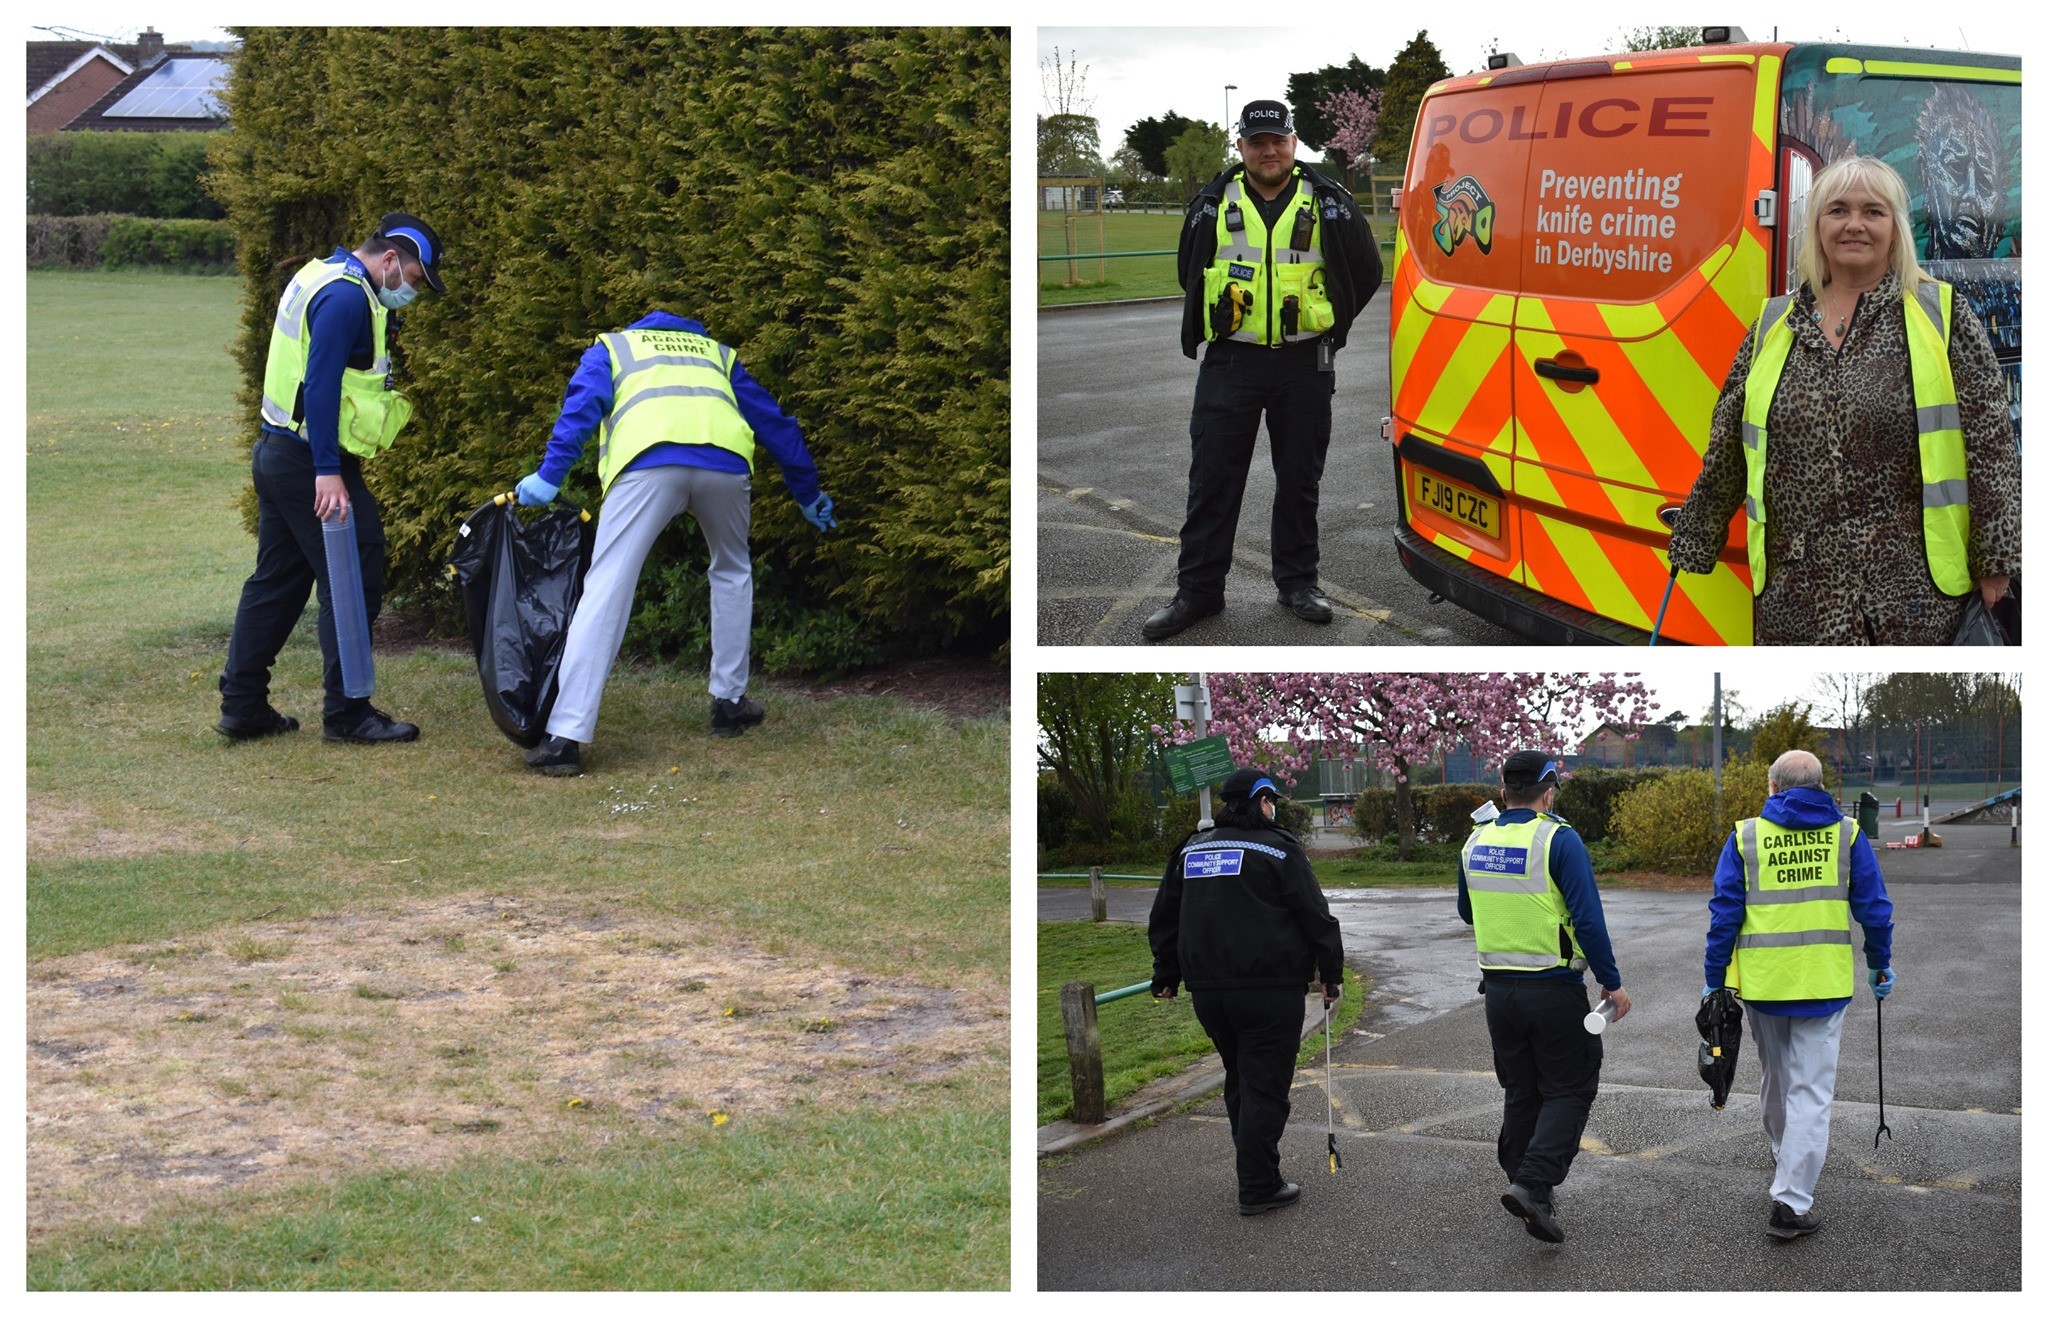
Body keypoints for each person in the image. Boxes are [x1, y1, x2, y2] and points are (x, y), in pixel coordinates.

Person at [1666, 155, 2019, 644]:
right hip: (1798, 600)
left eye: (1873, 212)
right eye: (1838, 211)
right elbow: (1729, 445)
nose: (1855, 224)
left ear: (1895, 229)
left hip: (1914, 598)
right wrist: (1695, 535)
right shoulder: (1773, 324)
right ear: (1817, 227)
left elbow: (1992, 448)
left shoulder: (1942, 314)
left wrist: (1997, 561)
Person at [514, 311, 834, 774]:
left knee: (607, 585)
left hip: (648, 462)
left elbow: (581, 409)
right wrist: (807, 492)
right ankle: (729, 703)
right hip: (725, 465)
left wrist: (549, 476)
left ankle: (565, 736)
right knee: (732, 571)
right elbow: (775, 424)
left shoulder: (615, 347)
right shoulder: (718, 355)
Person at [1141, 99, 1383, 641]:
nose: (1268, 150)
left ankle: (1298, 584)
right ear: (1241, 147)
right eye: (1257, 141)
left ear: (1294, 143)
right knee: (1212, 480)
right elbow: (1190, 271)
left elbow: (1366, 271)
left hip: (1305, 364)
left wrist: (1328, 326)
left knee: (1300, 479)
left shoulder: (1328, 199)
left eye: (1277, 140)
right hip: (1233, 361)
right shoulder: (1212, 201)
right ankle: (1198, 594)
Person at [217, 213, 446, 745]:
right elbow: (319, 385)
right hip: (310, 462)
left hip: (277, 450)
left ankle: (243, 705)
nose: (411, 292)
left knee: (277, 582)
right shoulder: (347, 298)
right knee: (354, 575)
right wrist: (327, 472)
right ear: (390, 259)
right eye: (413, 280)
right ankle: (348, 714)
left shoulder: (321, 274)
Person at [1703, 749, 1894, 1241]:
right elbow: (1873, 908)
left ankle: (1785, 1159)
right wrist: (1879, 962)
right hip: (1824, 986)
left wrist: (1714, 977)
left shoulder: (1746, 836)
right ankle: (1791, 1201)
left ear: (1772, 787)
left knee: (1775, 1078)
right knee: (1810, 1090)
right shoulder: (1847, 835)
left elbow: (1725, 913)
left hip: (1765, 987)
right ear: (1821, 787)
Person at [1148, 767, 1344, 1215]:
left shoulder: (1189, 849)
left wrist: (1166, 975)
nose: (1273, 808)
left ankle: (1255, 1168)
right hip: (1269, 991)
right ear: (1260, 802)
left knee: (1240, 1078)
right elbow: (1315, 914)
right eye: (1271, 800)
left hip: (1209, 994)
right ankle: (1258, 1185)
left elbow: (1165, 916)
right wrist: (1330, 973)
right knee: (1265, 1087)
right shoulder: (1277, 849)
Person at [1457, 751, 1627, 1244]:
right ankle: (1533, 1184)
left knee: (1523, 1089)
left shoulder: (1475, 840)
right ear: (1548, 790)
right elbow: (1588, 920)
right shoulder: (1558, 838)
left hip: (1498, 992)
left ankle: (1526, 1185)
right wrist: (1612, 984)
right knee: (1570, 1087)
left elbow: (1469, 912)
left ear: (1504, 789)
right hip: (1552, 989)